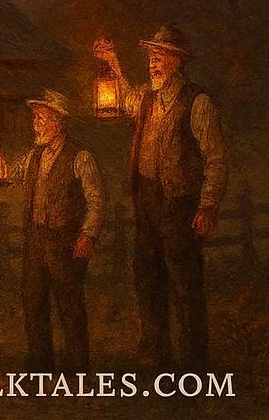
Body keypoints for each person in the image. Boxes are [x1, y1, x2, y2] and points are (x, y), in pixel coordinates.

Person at [95, 27, 227, 372]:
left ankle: (193, 362)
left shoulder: (198, 103)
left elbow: (215, 159)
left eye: (160, 56)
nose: (152, 63)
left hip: (180, 204)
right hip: (147, 199)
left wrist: (208, 205)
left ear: (178, 61)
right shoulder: (146, 98)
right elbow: (125, 98)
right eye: (151, 57)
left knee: (185, 282)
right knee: (148, 277)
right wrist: (113, 62)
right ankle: (156, 354)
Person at [6, 89, 104, 373]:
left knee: (69, 303)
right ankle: (41, 362)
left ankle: (77, 364)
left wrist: (87, 235)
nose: (35, 124)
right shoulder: (32, 156)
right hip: (35, 239)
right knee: (34, 301)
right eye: (34, 118)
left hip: (65, 241)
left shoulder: (80, 157)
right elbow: (8, 175)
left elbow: (97, 201)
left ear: (58, 122)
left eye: (40, 118)